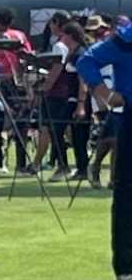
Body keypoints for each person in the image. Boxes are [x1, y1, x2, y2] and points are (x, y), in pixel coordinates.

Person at [71, 22, 132, 280]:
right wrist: (103, 91)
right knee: (127, 194)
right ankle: (126, 268)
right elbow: (87, 60)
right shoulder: (126, 39)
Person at [42, 22, 90, 182]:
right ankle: (71, 166)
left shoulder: (80, 55)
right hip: (70, 98)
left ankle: (78, 168)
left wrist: (81, 104)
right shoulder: (72, 53)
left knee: (76, 134)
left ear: (70, 36)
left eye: (64, 35)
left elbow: (83, 81)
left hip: (77, 99)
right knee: (61, 130)